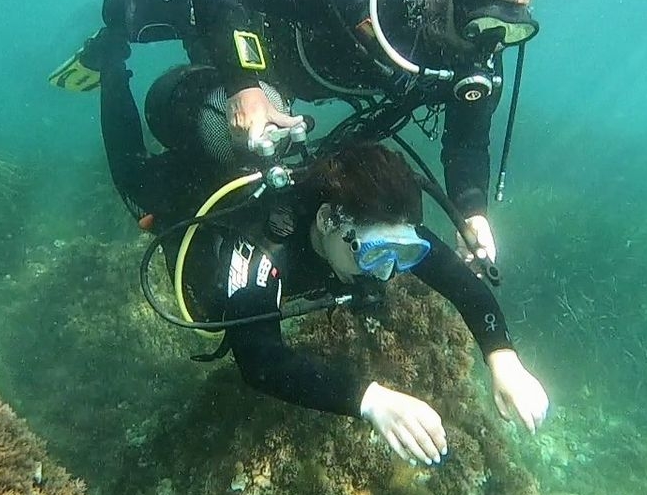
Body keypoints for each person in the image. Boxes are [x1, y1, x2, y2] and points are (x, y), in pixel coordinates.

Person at [50, 0, 544, 269]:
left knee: (244, 139)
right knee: (126, 13)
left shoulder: (474, 52)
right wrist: (244, 83)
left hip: (292, 72)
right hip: (252, 19)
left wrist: (473, 212)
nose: (491, 46)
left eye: (513, 28)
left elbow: (466, 140)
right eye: (485, 24)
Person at [120, 123, 550, 466]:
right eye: (378, 253)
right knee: (134, 182)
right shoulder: (262, 251)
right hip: (185, 197)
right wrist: (369, 399)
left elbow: (463, 284)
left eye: (404, 254)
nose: (386, 274)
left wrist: (503, 359)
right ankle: (112, 60)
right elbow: (261, 362)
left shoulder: (384, 222)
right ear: (328, 221)